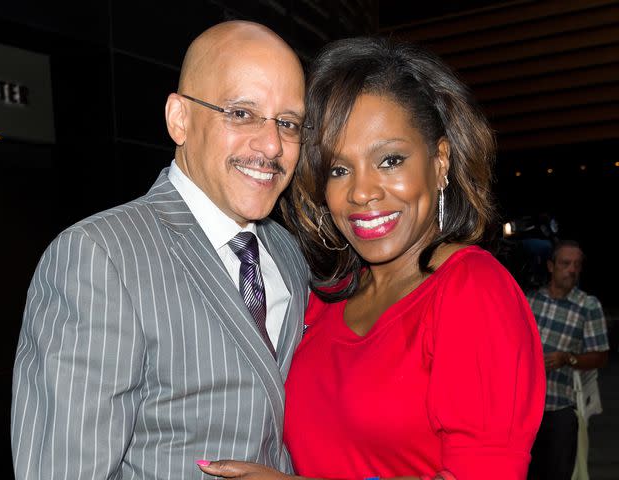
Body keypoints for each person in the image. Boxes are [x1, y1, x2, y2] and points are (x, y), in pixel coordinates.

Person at [197, 36, 546, 480]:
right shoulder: (326, 297)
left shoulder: (473, 291)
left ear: (440, 162)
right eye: (339, 170)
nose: (361, 192)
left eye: (390, 160)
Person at [11, 20, 311, 480]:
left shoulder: (289, 254)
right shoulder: (99, 257)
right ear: (179, 119)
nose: (271, 145)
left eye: (287, 123)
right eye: (241, 113)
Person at [526, 240, 609, 480]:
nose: (572, 269)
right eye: (565, 263)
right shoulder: (531, 301)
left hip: (561, 409)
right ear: (551, 266)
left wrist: (568, 359)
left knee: (557, 473)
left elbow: (600, 357)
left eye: (577, 265)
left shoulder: (587, 306)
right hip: (527, 409)